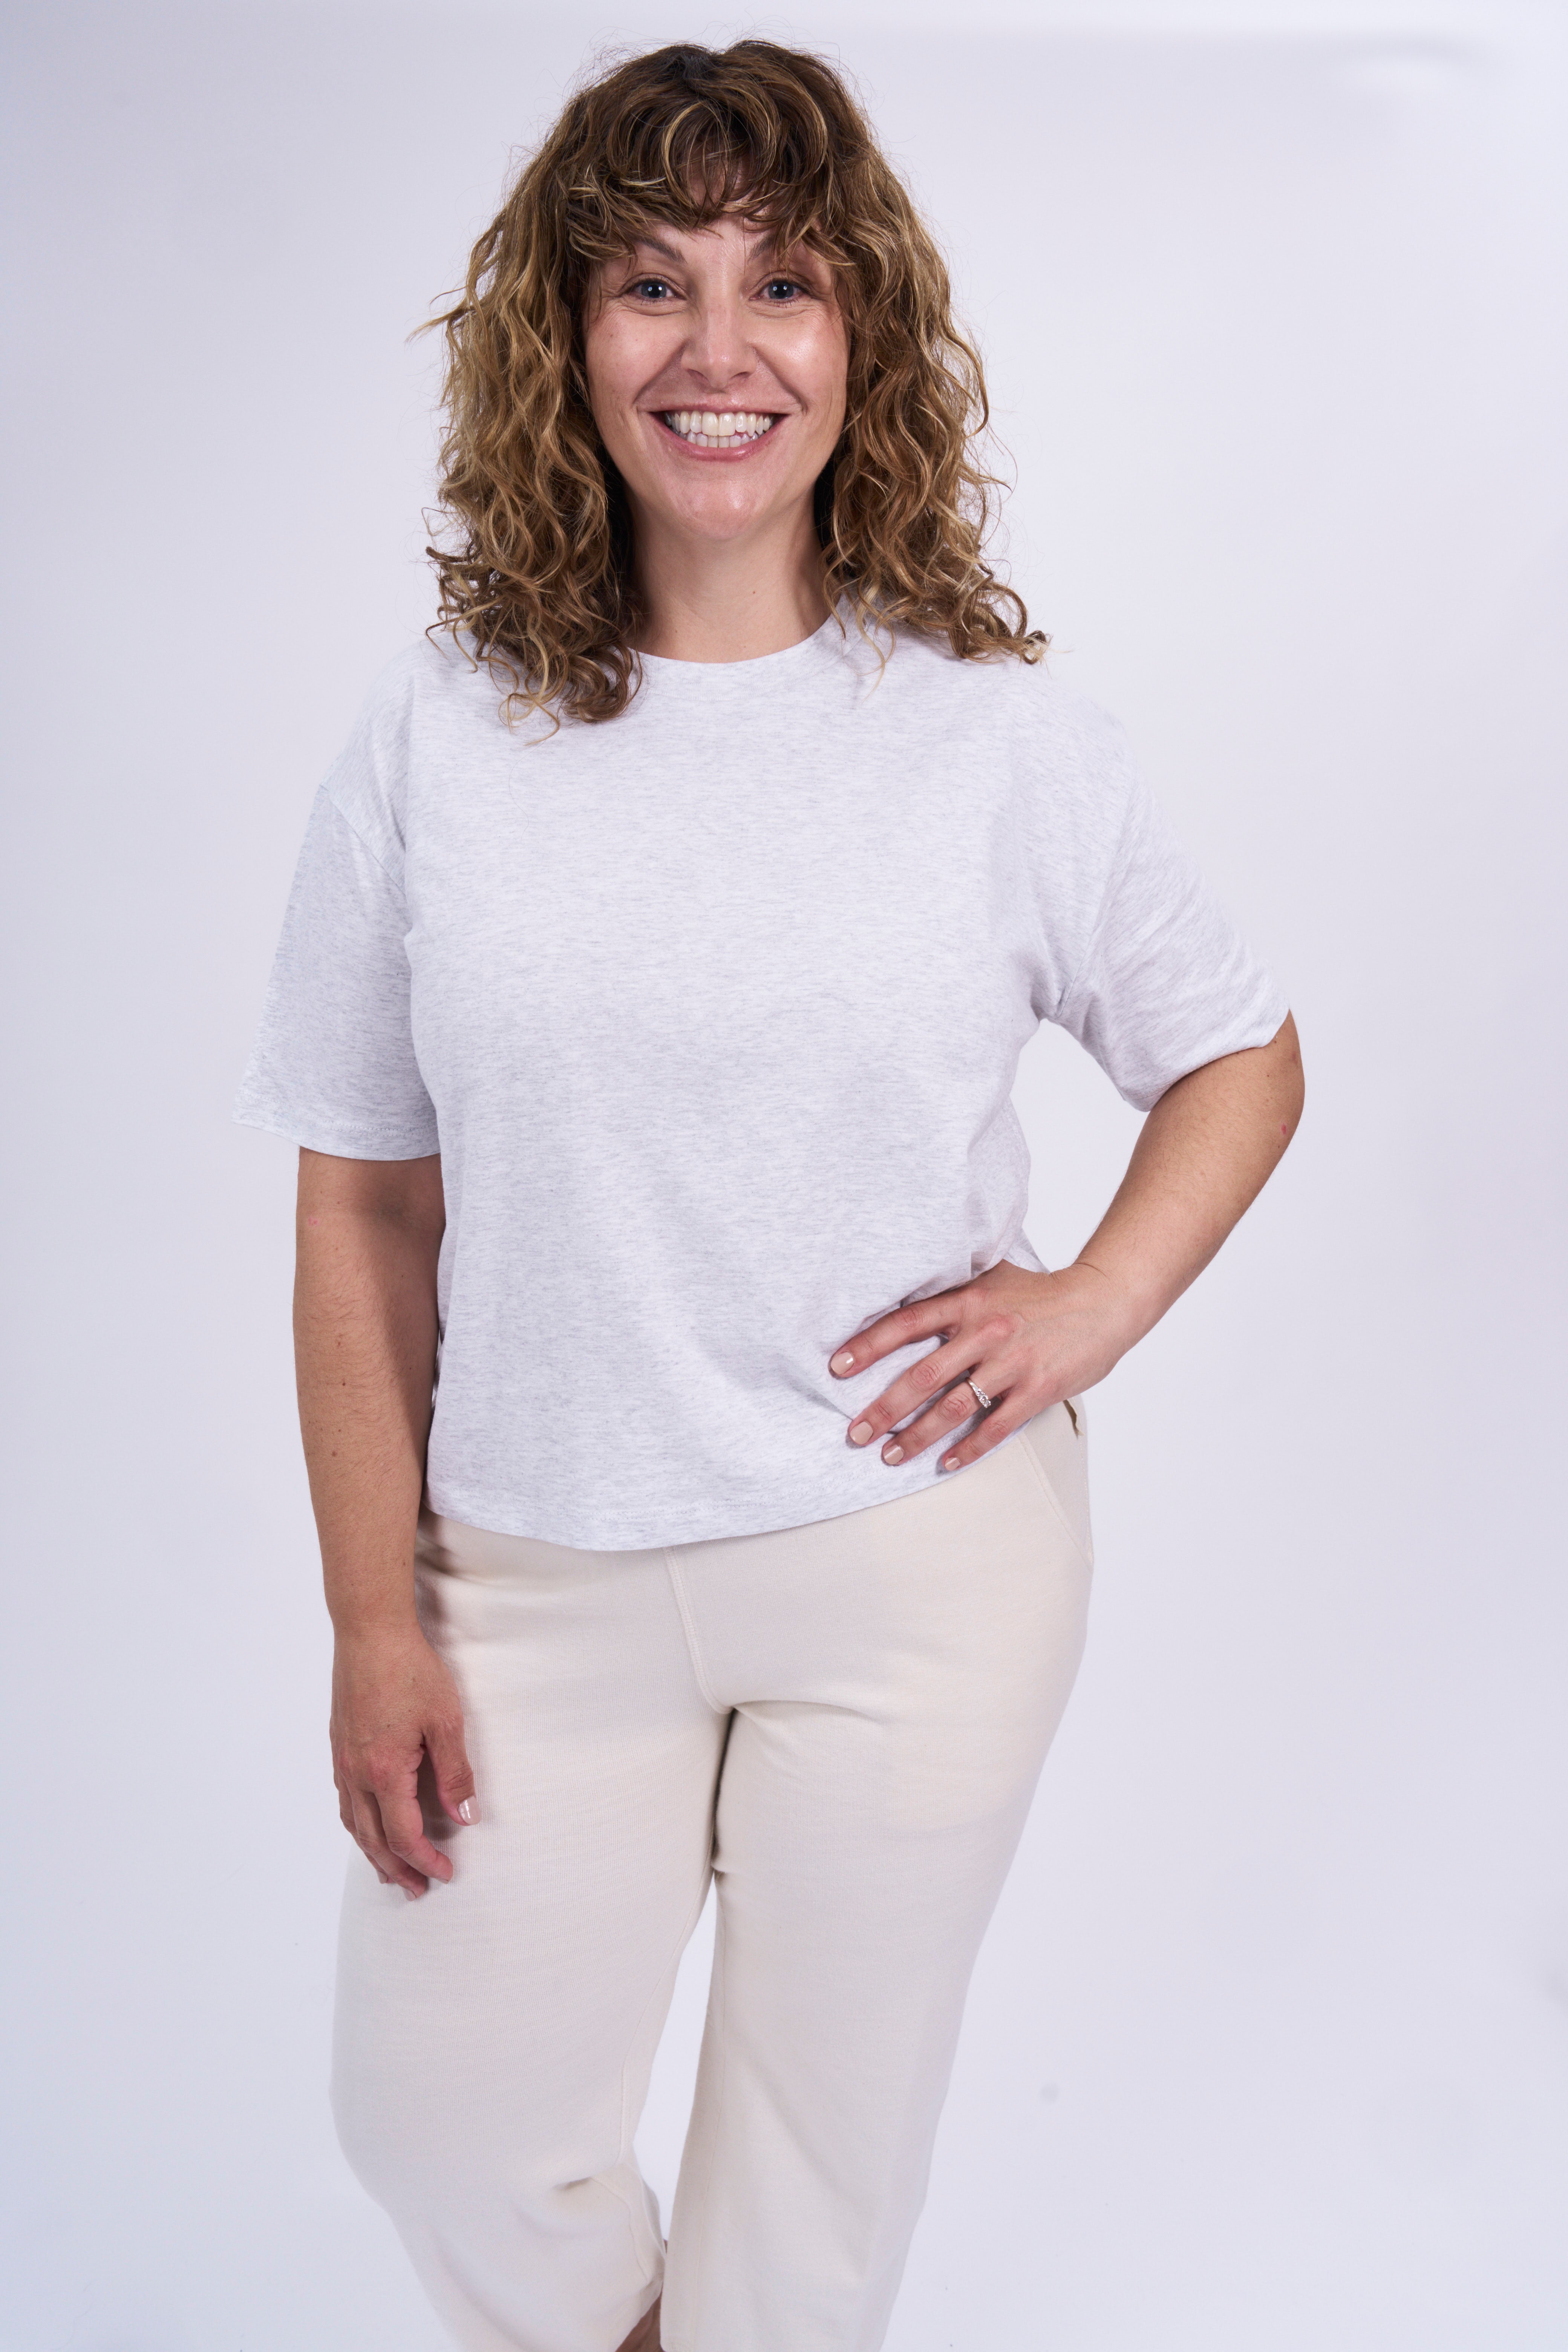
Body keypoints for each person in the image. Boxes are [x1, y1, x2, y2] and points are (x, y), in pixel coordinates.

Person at [236, 37, 1303, 2352]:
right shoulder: (437, 742)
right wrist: (371, 1621)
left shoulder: (998, 744)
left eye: (784, 285)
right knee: (440, 2124)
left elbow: (1237, 1052)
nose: (719, 350)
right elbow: (361, 1212)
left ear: (864, 347)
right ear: (564, 341)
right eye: (650, 283)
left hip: (916, 1569)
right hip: (526, 1570)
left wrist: (1086, 1307)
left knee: (807, 2221)